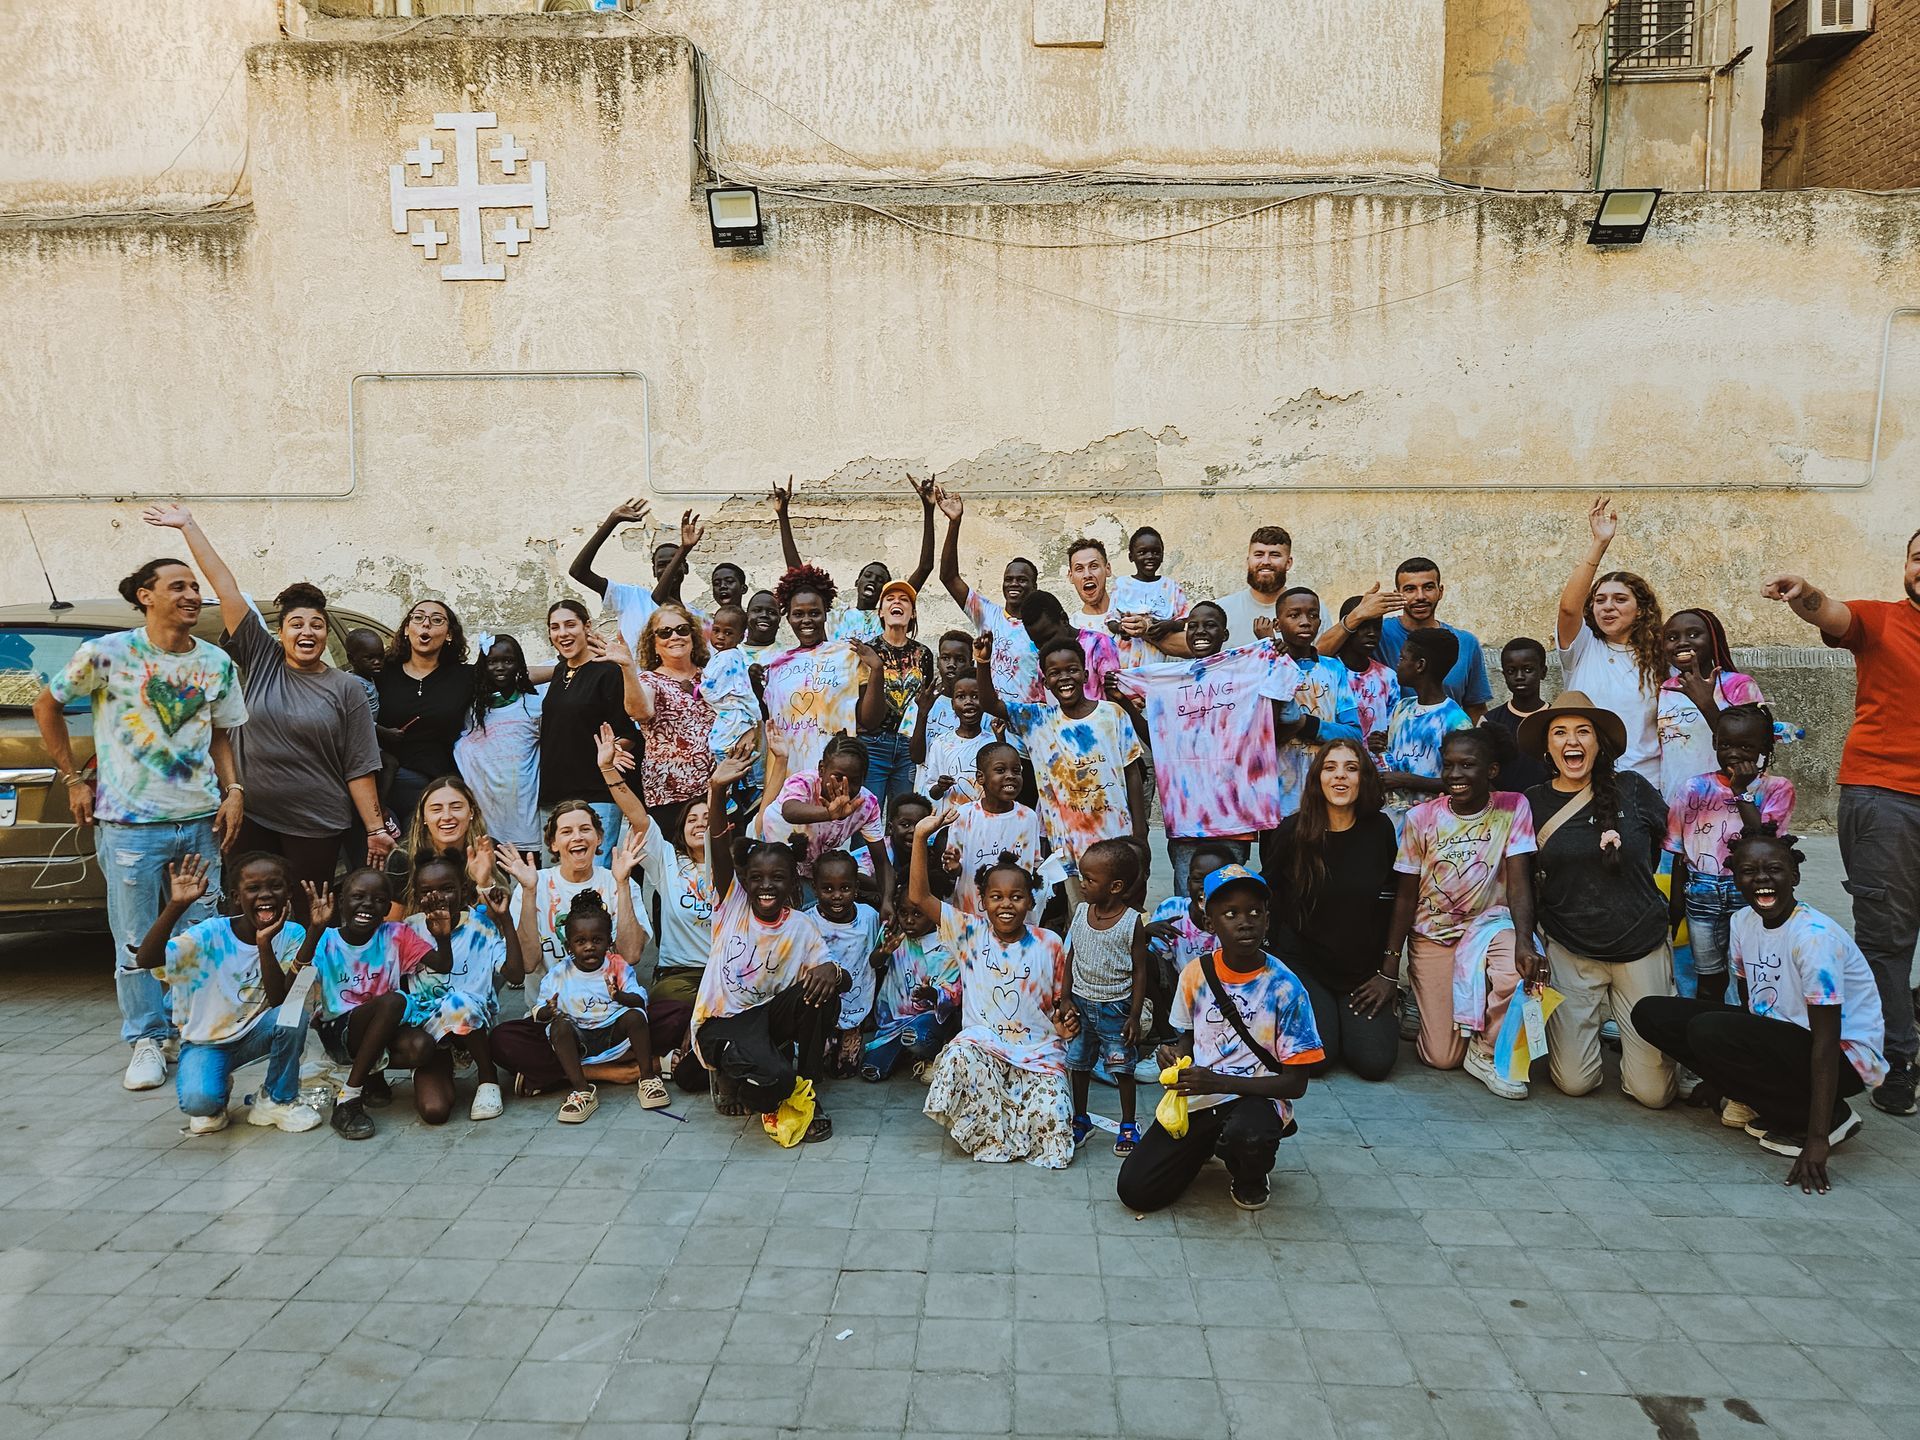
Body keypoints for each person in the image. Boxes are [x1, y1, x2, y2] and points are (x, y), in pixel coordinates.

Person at [34, 554, 247, 1091]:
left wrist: (235, 790)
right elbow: (46, 705)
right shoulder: (106, 655)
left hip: (199, 821)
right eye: (177, 586)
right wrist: (72, 779)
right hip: (129, 826)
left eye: (195, 587)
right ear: (145, 596)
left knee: (197, 934)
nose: (192, 595)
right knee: (134, 940)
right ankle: (147, 1039)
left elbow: (221, 733)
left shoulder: (217, 664)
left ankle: (195, 1030)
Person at [142, 504, 389, 892]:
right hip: (249, 815)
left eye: (316, 625)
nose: (307, 632)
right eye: (296, 624)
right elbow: (226, 588)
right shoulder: (262, 658)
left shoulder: (346, 688)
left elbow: (360, 767)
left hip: (316, 823)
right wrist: (188, 526)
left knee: (309, 910)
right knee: (249, 908)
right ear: (281, 633)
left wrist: (375, 828)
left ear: (325, 635)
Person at [1633, 830, 1886, 1193]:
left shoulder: (1814, 939)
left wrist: (1817, 1141)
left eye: (1774, 869)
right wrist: (1722, 1074)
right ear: (1736, 879)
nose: (1762, 878)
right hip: (1786, 1039)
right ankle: (1754, 1098)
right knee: (1651, 1013)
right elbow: (1754, 1005)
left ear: (1794, 876)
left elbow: (1827, 1042)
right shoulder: (1743, 922)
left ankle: (1829, 1117)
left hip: (1844, 1058)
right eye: (1749, 870)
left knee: (1710, 1030)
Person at [1762, 537, 1920, 1116]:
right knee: (1887, 935)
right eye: (1919, 556)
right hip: (1885, 797)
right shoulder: (1881, 622)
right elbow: (1834, 614)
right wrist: (1806, 596)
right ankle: (1895, 1057)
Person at [1115, 864, 1322, 1213]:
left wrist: (1219, 1081)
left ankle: (1250, 1173)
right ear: (1210, 924)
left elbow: (1295, 1084)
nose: (1245, 922)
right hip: (1203, 1098)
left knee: (1248, 1134)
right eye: (1231, 913)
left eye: (1255, 912)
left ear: (1267, 921)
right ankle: (1207, 1145)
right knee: (1135, 1190)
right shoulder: (1196, 974)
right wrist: (1173, 1055)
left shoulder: (1286, 987)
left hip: (1256, 1098)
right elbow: (1188, 1039)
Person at [1520, 693, 1677, 1109]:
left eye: (1583, 731)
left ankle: (1639, 1052)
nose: (1572, 741)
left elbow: (1664, 851)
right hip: (1571, 948)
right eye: (1560, 732)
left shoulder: (1634, 789)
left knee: (1654, 1094)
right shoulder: (1532, 802)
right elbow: (1521, 879)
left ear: (1599, 743)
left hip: (1640, 945)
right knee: (1574, 1082)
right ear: (1548, 747)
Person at [908, 806, 1081, 1168]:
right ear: (983, 900)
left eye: (1016, 897)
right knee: (956, 1055)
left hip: (1037, 1053)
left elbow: (1060, 1004)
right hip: (985, 1047)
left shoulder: (1050, 942)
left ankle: (1022, 1113)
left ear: (1031, 901)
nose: (1006, 905)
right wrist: (922, 837)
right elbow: (920, 898)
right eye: (996, 897)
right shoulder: (969, 933)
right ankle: (994, 1131)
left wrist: (1066, 1022)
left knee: (1053, 1138)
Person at [1383, 727, 1545, 1096]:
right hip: (1434, 936)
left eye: (1467, 765)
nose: (1455, 775)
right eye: (1449, 765)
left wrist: (1524, 941)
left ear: (1491, 770)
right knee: (1440, 1057)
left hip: (1491, 927)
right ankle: (1458, 1029)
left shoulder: (1512, 806)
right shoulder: (1421, 818)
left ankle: (1488, 1049)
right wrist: (1392, 964)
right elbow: (1406, 896)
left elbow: (1520, 880)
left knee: (1514, 970)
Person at [693, 751, 844, 1142]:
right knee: (774, 1080)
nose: (766, 886)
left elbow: (830, 977)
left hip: (767, 1019)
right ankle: (730, 1074)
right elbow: (718, 842)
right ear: (743, 880)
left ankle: (808, 1089)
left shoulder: (801, 925)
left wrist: (834, 972)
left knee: (821, 995)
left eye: (778, 878)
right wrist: (716, 788)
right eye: (756, 877)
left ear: (794, 883)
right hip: (722, 1023)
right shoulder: (732, 904)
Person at [1107, 599, 1302, 895]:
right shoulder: (1170, 679)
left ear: (1225, 634)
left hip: (1234, 816)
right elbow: (1157, 740)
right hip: (1187, 817)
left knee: (1226, 895)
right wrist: (1125, 703)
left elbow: (1280, 709)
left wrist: (1272, 649)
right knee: (1188, 898)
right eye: (1193, 625)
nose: (1200, 631)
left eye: (1210, 625)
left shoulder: (1246, 672)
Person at [133, 852, 320, 1134]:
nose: (265, 895)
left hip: (256, 1032)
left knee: (293, 1014)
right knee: (200, 1105)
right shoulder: (209, 934)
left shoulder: (293, 934)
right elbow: (146, 960)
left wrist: (264, 944)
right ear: (236, 896)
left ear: (289, 893)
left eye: (275, 886)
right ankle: (217, 1086)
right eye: (253, 888)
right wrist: (176, 905)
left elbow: (282, 999)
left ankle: (276, 1098)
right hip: (207, 1042)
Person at [974, 634, 1147, 903]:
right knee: (1081, 919)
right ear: (1046, 682)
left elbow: (1133, 773)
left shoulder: (1112, 715)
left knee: (1125, 914)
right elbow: (990, 704)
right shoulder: (1038, 720)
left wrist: (1140, 832)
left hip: (1118, 840)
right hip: (1070, 850)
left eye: (1072, 670)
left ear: (1085, 674)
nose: (1064, 677)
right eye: (1054, 673)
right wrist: (983, 662)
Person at [1269, 740, 1400, 1082]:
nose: (1340, 776)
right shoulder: (1292, 830)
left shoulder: (1381, 830)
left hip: (1361, 967)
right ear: (1317, 778)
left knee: (1375, 1063)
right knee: (1316, 1061)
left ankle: (1344, 1020)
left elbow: (1396, 901)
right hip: (1305, 961)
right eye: (1330, 768)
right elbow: (1267, 895)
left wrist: (1388, 973)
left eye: (1351, 768)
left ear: (1364, 778)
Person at [1666, 704, 1796, 1000]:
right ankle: (1707, 1038)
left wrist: (1741, 792)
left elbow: (1765, 842)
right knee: (1709, 977)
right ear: (1714, 743)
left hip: (1752, 894)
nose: (1733, 753)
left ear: (1764, 747)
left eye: (1745, 746)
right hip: (1701, 893)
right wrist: (1676, 904)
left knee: (1750, 976)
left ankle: (1745, 1036)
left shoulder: (1778, 789)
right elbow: (1678, 850)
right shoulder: (1693, 788)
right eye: (1725, 745)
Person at [397, 852, 524, 1123]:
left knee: (459, 1003)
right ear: (417, 896)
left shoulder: (481, 928)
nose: (438, 897)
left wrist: (505, 921)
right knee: (434, 1111)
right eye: (427, 891)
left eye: (447, 889)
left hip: (473, 1024)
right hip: (430, 1030)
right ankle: (440, 1065)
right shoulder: (409, 930)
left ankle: (487, 1077)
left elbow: (515, 974)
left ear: (463, 890)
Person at [299, 867, 423, 1140]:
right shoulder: (327, 940)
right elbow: (293, 988)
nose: (367, 904)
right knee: (393, 1002)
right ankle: (349, 1098)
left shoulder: (394, 934)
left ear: (388, 908)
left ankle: (371, 1077)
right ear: (341, 901)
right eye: (357, 896)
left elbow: (442, 965)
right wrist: (314, 930)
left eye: (378, 900)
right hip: (338, 1031)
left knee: (420, 1046)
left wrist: (442, 934)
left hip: (379, 1027)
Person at [530, 889, 668, 1123]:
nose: (589, 947)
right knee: (557, 1028)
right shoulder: (559, 975)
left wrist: (620, 997)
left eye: (597, 940)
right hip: (580, 1040)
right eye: (580, 941)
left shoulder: (618, 967)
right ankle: (582, 1090)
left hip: (614, 1036)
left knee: (636, 1016)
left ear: (609, 941)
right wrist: (549, 1010)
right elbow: (538, 1013)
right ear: (569, 946)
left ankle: (647, 1078)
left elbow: (640, 1002)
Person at [1554, 497, 1664, 784]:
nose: (1607, 606)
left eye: (1620, 599)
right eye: (1599, 600)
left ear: (1641, 609)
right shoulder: (1583, 647)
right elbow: (1568, 608)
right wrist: (1598, 544)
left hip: (1645, 784)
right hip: (1585, 782)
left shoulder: (1660, 657)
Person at [498, 799, 648, 992]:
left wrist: (623, 883)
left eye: (585, 829)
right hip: (551, 1009)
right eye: (567, 831)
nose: (577, 837)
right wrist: (529, 891)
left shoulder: (618, 881)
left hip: (612, 1005)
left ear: (599, 837)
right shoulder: (533, 885)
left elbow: (631, 955)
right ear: (553, 843)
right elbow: (527, 964)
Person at [770, 473, 935, 645]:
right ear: (857, 582)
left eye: (880, 580)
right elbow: (798, 575)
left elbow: (925, 567)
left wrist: (929, 509)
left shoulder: (888, 615)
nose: (873, 581)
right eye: (869, 575)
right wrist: (782, 514)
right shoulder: (836, 613)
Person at [1064, 839, 1150, 1155]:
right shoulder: (1081, 912)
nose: (1083, 884)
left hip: (1116, 1007)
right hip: (1082, 1004)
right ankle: (1080, 1119)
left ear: (1115, 886)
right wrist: (1065, 998)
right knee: (1079, 1063)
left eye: (1089, 879)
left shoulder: (1131, 923)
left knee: (1121, 1068)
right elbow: (1072, 955)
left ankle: (1128, 1124)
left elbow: (1140, 971)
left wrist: (1134, 1015)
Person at [757, 564, 885, 777]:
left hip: (834, 775)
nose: (806, 620)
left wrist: (877, 670)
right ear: (787, 617)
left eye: (814, 613)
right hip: (785, 778)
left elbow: (870, 721)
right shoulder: (776, 665)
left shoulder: (848, 657)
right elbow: (768, 719)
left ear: (826, 614)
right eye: (798, 614)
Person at [541, 599, 640, 862]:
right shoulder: (562, 670)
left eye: (570, 625)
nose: (562, 633)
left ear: (587, 627)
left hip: (596, 794)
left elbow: (629, 731)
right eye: (555, 627)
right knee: (556, 884)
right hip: (556, 792)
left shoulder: (607, 672)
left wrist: (616, 750)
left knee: (592, 876)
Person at [1337, 559, 1492, 720]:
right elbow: (1319, 657)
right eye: (1410, 589)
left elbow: (1475, 708)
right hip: (1391, 740)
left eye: (1428, 587)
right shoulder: (1377, 634)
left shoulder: (1465, 643)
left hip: (1449, 739)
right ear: (1397, 595)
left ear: (1440, 591)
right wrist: (1357, 615)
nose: (1420, 596)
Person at [934, 486, 1044, 705]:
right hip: (991, 720)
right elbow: (948, 577)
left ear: (1034, 586)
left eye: (1022, 580)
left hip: (1031, 721)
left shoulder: (1043, 628)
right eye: (1009, 579)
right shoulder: (987, 615)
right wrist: (954, 523)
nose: (1014, 584)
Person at [760, 734, 893, 906]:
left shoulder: (866, 805)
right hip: (771, 856)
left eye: (854, 781)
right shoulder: (804, 782)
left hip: (809, 869)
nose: (843, 788)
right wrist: (829, 814)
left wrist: (887, 901)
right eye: (837, 777)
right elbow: (790, 811)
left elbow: (881, 861)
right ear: (822, 769)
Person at [376, 599, 474, 821]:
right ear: (406, 629)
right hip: (385, 786)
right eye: (418, 618)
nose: (426, 624)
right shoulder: (381, 672)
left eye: (436, 620)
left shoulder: (464, 677)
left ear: (449, 634)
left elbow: (514, 674)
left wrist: (568, 667)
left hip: (438, 788)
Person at [1656, 607, 1767, 803]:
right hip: (1676, 799)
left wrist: (1706, 704)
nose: (1682, 642)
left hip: (1725, 798)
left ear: (1714, 639)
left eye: (1694, 634)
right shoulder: (1667, 688)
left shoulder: (1738, 685)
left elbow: (1756, 744)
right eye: (1672, 637)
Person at [1271, 588, 1364, 815]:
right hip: (1278, 799)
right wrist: (1270, 657)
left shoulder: (1333, 668)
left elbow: (1354, 735)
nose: (1305, 622)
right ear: (1277, 624)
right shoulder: (1267, 666)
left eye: (1312, 615)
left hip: (1326, 799)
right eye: (1294, 615)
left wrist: (1306, 725)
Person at [454, 633, 545, 854]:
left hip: (525, 822)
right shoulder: (473, 710)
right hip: (486, 822)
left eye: (508, 661)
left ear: (520, 664)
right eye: (492, 662)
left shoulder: (535, 705)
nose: (500, 667)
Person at [620, 603, 717, 810]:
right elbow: (640, 712)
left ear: (692, 636)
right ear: (654, 643)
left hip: (717, 790)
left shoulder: (712, 675)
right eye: (665, 633)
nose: (675, 636)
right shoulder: (649, 680)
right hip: (670, 794)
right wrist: (627, 667)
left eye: (682, 630)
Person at [1378, 627, 1473, 829]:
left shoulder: (1455, 721)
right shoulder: (1402, 708)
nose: (1398, 664)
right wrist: (1381, 747)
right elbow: (1395, 756)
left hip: (1435, 826)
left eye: (1403, 658)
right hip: (1395, 823)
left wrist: (1408, 780)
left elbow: (1466, 781)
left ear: (1420, 665)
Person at [940, 742, 1044, 915]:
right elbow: (955, 867)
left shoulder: (1028, 817)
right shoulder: (965, 815)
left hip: (1014, 915)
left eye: (1016, 771)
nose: (1010, 776)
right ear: (981, 777)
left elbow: (1033, 865)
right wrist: (953, 866)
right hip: (972, 913)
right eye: (1000, 770)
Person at [567, 496, 677, 652]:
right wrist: (612, 521)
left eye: (675, 563)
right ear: (653, 570)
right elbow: (579, 572)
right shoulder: (631, 597)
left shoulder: (696, 615)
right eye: (662, 565)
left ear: (685, 568)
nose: (668, 570)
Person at [858, 581, 935, 803]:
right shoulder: (868, 650)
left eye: (904, 600)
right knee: (866, 815)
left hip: (908, 746)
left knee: (905, 817)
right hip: (873, 744)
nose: (897, 602)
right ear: (881, 612)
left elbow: (924, 701)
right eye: (890, 599)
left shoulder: (924, 654)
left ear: (912, 613)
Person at [810, 849, 885, 1076]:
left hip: (855, 1005)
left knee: (845, 1071)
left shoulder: (869, 917)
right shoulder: (807, 922)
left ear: (856, 888)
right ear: (815, 889)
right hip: (819, 1009)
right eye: (828, 889)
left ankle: (850, 1037)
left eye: (845, 888)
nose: (836, 896)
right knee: (817, 1063)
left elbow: (874, 962)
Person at [863, 906, 960, 1082]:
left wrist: (930, 993)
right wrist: (884, 952)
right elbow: (873, 962)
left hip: (928, 1018)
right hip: (893, 1021)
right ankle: (908, 1053)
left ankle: (933, 1056)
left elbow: (952, 997)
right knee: (872, 1070)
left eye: (918, 913)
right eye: (903, 913)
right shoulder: (896, 935)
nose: (909, 920)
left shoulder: (947, 944)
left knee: (916, 1036)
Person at [1107, 526, 1194, 667]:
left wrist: (1168, 625)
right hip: (1126, 658)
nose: (1150, 557)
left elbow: (1182, 620)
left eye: (1156, 552)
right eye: (1142, 552)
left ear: (1162, 555)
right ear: (1131, 556)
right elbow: (1111, 620)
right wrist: (1122, 628)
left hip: (1159, 657)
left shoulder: (1172, 587)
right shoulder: (1122, 585)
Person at [1483, 638, 1552, 793]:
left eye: (1528, 670)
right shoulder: (1489, 722)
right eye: (1511, 671)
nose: (1519, 676)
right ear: (1504, 675)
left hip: (1549, 808)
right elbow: (1481, 770)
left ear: (1543, 672)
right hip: (1503, 809)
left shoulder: (1556, 719)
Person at [913, 673, 992, 804]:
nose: (968, 702)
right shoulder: (941, 744)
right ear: (952, 704)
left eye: (975, 696)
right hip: (949, 819)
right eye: (961, 697)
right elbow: (932, 792)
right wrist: (940, 786)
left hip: (982, 820)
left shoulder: (992, 743)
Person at [1332, 593, 1399, 743]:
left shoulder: (1388, 677)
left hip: (1377, 764)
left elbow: (1393, 728)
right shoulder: (1330, 672)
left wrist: (1383, 739)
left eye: (1377, 627)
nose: (1371, 633)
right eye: (1362, 626)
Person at [1215, 525, 1297, 649]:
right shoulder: (1220, 611)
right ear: (1248, 561)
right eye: (1259, 554)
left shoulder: (1311, 610)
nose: (1265, 561)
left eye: (1275, 555)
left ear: (1288, 563)